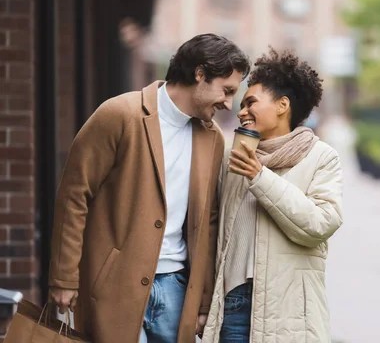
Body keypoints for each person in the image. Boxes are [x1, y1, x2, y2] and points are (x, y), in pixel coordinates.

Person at [47, 34, 250, 343]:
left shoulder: (212, 138)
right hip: (115, 285)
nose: (228, 103)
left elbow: (207, 223)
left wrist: (204, 301)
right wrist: (64, 278)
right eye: (227, 90)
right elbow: (74, 197)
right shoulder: (119, 115)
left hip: (177, 290)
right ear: (200, 73)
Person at [202, 48, 344, 342]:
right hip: (233, 307)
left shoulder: (321, 158)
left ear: (282, 105)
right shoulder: (233, 159)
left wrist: (259, 176)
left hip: (289, 313)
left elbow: (320, 224)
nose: (241, 111)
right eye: (241, 103)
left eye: (251, 102)